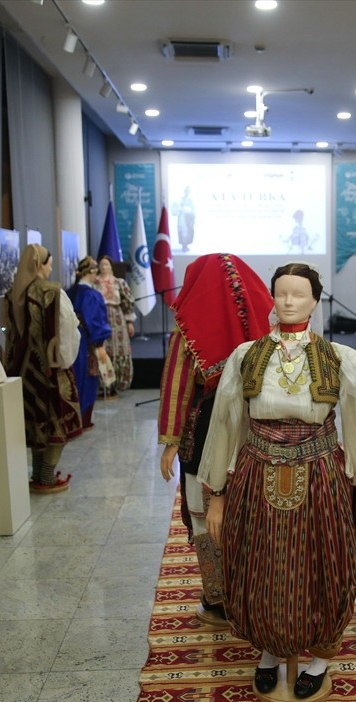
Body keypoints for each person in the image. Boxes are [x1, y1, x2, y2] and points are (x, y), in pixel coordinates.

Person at [200, 263, 356, 700]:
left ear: (314, 300)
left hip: (319, 474)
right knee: (259, 562)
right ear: (272, 297)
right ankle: (269, 648)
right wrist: (217, 494)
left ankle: (320, 655)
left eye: (299, 294)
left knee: (323, 563)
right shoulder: (246, 356)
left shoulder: (340, 358)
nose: (289, 301)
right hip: (256, 472)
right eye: (282, 293)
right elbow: (226, 426)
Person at [158, 253, 272, 625]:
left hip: (205, 432)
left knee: (205, 512)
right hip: (256, 432)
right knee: (252, 512)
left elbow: (177, 385)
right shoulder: (262, 314)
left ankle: (218, 598)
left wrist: (171, 440)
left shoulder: (188, 325)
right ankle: (254, 591)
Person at [2, 243, 83, 493]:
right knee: (55, 421)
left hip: (22, 370)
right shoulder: (51, 292)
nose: (51, 267)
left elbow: (10, 334)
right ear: (38, 265)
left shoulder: (10, 293)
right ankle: (46, 476)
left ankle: (37, 473)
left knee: (34, 422)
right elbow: (68, 328)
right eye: (48, 262)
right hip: (50, 369)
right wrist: (65, 361)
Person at [68, 257, 112, 429]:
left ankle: (71, 418)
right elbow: (96, 322)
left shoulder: (69, 292)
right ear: (92, 273)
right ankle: (83, 419)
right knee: (87, 377)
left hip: (70, 338)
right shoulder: (92, 296)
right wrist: (99, 343)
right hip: (86, 342)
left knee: (73, 376)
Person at [95, 256, 135, 394]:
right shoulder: (94, 282)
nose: (104, 267)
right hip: (100, 318)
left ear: (111, 267)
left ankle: (119, 383)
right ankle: (104, 383)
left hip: (117, 319)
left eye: (106, 265)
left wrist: (129, 322)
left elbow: (127, 302)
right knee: (103, 350)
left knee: (120, 350)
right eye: (101, 265)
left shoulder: (119, 282)